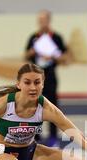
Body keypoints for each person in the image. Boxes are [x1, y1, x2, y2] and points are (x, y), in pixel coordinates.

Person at [25, 10, 70, 147]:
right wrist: (32, 52)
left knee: (52, 107)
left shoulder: (56, 37)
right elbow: (26, 55)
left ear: (49, 20)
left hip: (50, 76)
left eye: (44, 19)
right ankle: (36, 137)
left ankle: (53, 137)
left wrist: (53, 56)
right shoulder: (34, 37)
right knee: (34, 107)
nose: (42, 22)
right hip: (35, 77)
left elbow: (65, 58)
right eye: (40, 20)